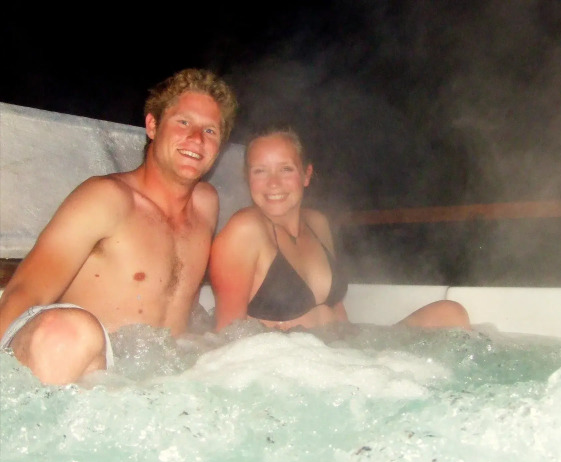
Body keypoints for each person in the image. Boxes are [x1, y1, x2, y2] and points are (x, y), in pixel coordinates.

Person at [0, 68, 238, 385]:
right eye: (183, 122)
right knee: (65, 332)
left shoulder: (206, 205)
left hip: (163, 380)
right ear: (152, 125)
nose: (196, 139)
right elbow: (25, 291)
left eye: (210, 130)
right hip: (95, 377)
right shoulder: (107, 199)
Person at [208, 126, 470, 332]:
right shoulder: (245, 230)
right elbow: (228, 334)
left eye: (286, 169)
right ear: (247, 178)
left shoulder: (317, 223)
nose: (273, 183)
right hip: (291, 368)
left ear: (306, 175)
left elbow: (336, 310)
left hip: (339, 354)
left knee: (449, 313)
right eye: (260, 171)